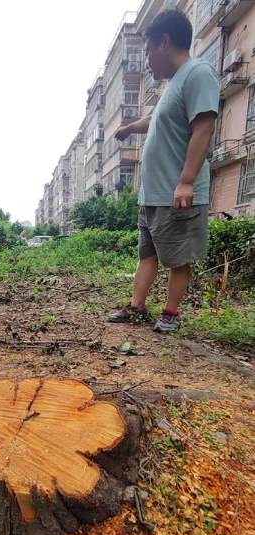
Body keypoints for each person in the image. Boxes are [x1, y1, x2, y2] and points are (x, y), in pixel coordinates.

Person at [108, 9, 219, 332]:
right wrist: (129, 128)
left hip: (177, 193)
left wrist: (186, 182)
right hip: (153, 195)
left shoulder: (198, 74)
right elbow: (154, 119)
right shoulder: (171, 86)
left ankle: (171, 313)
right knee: (148, 254)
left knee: (178, 258)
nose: (146, 61)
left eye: (147, 52)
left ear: (164, 42)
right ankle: (137, 306)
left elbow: (204, 128)